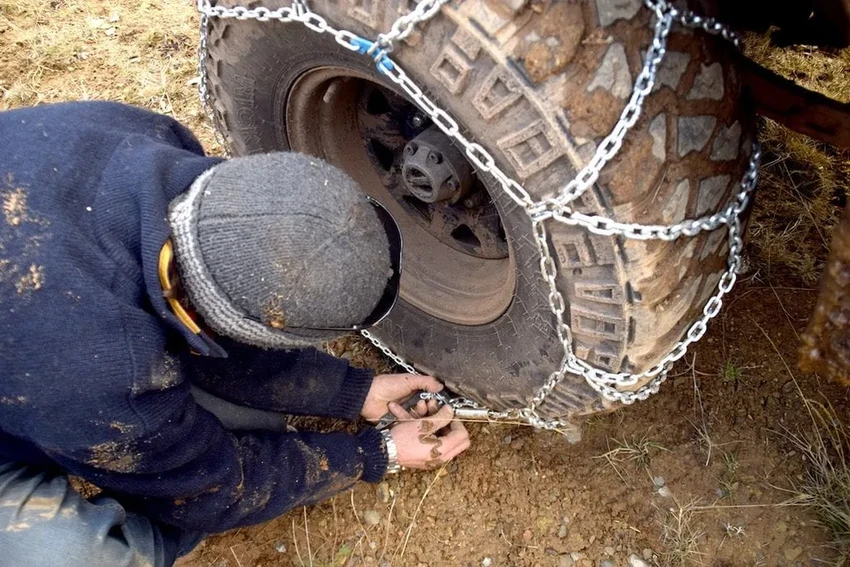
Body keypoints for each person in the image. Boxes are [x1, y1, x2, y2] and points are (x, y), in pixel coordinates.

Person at [0, 101, 471, 567]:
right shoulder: (100, 376)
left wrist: (354, 391)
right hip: (42, 386)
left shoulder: (155, 144)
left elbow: (211, 295)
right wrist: (376, 452)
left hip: (43, 350)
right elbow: (213, 489)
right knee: (74, 554)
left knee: (249, 419)